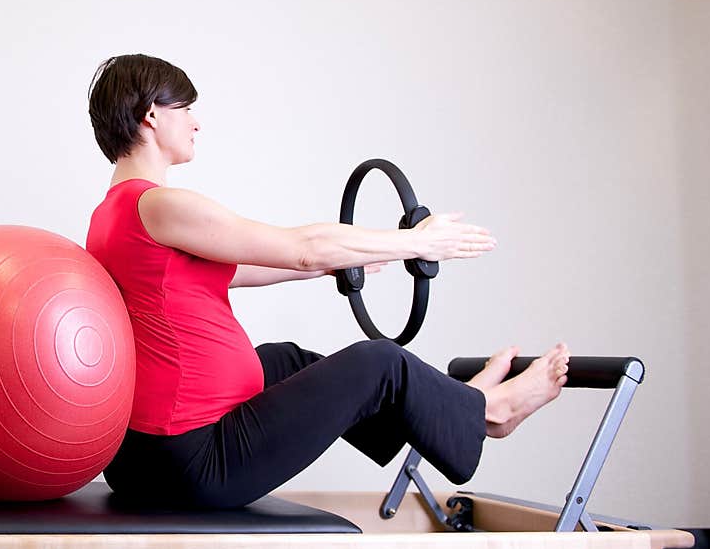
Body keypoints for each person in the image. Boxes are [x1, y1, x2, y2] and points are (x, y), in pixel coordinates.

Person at [85, 54, 570, 509]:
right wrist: (417, 243)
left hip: (141, 457)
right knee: (378, 362)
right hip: (191, 461)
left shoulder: (114, 213)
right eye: (186, 108)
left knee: (284, 360)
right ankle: (490, 411)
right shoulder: (162, 205)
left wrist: (329, 267)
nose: (196, 122)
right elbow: (303, 245)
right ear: (152, 115)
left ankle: (452, 407)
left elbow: (240, 268)